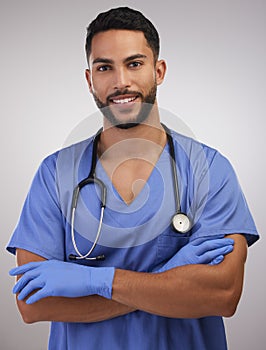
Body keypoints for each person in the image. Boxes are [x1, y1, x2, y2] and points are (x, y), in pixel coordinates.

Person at [7, 7, 259, 350]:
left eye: (134, 64)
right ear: (89, 79)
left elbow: (223, 295)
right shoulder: (55, 174)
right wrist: (169, 279)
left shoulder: (209, 170)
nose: (120, 81)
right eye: (104, 67)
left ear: (159, 70)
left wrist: (92, 280)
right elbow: (33, 304)